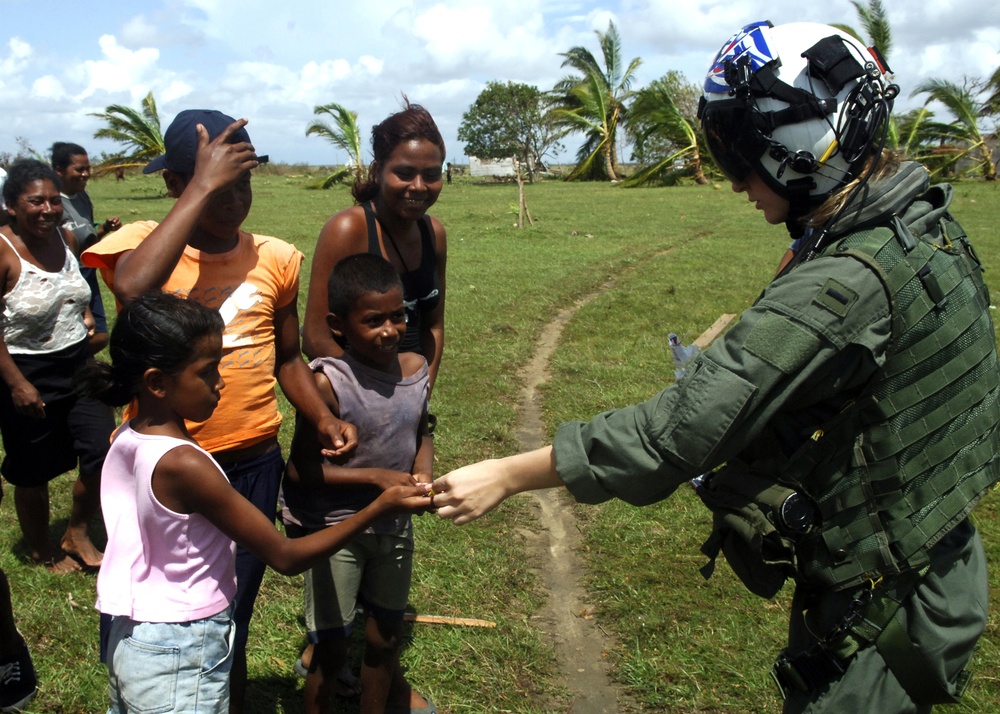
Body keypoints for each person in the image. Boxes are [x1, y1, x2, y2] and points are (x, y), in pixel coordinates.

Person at [431, 20, 999, 714]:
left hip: (881, 607)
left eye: (740, 156)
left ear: (796, 147)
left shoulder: (844, 281)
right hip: (935, 560)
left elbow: (674, 434)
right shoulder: (920, 222)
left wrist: (506, 473)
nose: (737, 184)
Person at [80, 109, 358, 713]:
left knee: (229, 600)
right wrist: (203, 183)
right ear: (179, 184)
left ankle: (217, 695)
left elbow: (287, 359)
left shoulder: (275, 257)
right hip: (165, 474)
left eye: (244, 183)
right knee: (149, 598)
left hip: (248, 461)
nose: (235, 200)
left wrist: (322, 416)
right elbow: (129, 289)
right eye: (217, 184)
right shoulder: (143, 246)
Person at [77, 291, 431, 714]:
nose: (220, 383)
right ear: (157, 382)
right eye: (208, 372)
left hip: (132, 632)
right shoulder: (186, 464)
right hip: (180, 646)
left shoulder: (130, 437)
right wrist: (380, 506)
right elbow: (284, 555)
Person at [282, 253, 436, 714]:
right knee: (331, 648)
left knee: (384, 635)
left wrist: (422, 472)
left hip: (394, 528)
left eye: (397, 316)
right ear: (338, 324)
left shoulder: (415, 368)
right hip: (336, 530)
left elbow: (421, 432)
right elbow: (300, 471)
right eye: (373, 320)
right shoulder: (328, 384)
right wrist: (376, 477)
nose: (389, 330)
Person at [0, 159, 115, 573]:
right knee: (33, 468)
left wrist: (82, 316)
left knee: (102, 449)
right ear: (12, 205)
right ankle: (39, 547)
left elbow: (75, 291)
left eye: (53, 200)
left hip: (79, 364)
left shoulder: (65, 238)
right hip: (26, 372)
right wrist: (16, 384)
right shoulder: (2, 249)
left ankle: (77, 531)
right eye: (35, 201)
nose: (48, 209)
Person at [302, 101, 447, 394]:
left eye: (431, 175)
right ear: (378, 170)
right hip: (351, 401)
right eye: (405, 173)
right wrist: (377, 399)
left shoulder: (434, 233)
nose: (419, 186)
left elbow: (433, 327)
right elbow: (316, 337)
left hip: (406, 396)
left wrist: (419, 393)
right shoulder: (348, 230)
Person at [51, 142, 121, 354]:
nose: (85, 174)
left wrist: (105, 229)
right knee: (79, 332)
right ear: (59, 171)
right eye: (79, 169)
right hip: (66, 274)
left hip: (87, 271)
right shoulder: (52, 203)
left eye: (87, 168)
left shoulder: (82, 196)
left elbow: (87, 234)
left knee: (99, 335)